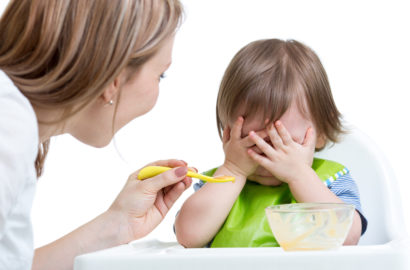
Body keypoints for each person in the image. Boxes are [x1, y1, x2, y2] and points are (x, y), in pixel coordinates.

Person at [0, 1, 193, 270]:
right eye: (161, 74)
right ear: (113, 79)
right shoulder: (9, 124)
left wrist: (118, 223)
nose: (156, 94)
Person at [174, 39, 368, 248]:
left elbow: (347, 237)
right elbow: (188, 236)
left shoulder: (331, 180)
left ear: (320, 132)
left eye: (283, 143)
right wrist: (234, 170)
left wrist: (299, 174)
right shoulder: (218, 183)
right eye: (252, 141)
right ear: (227, 132)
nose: (267, 157)